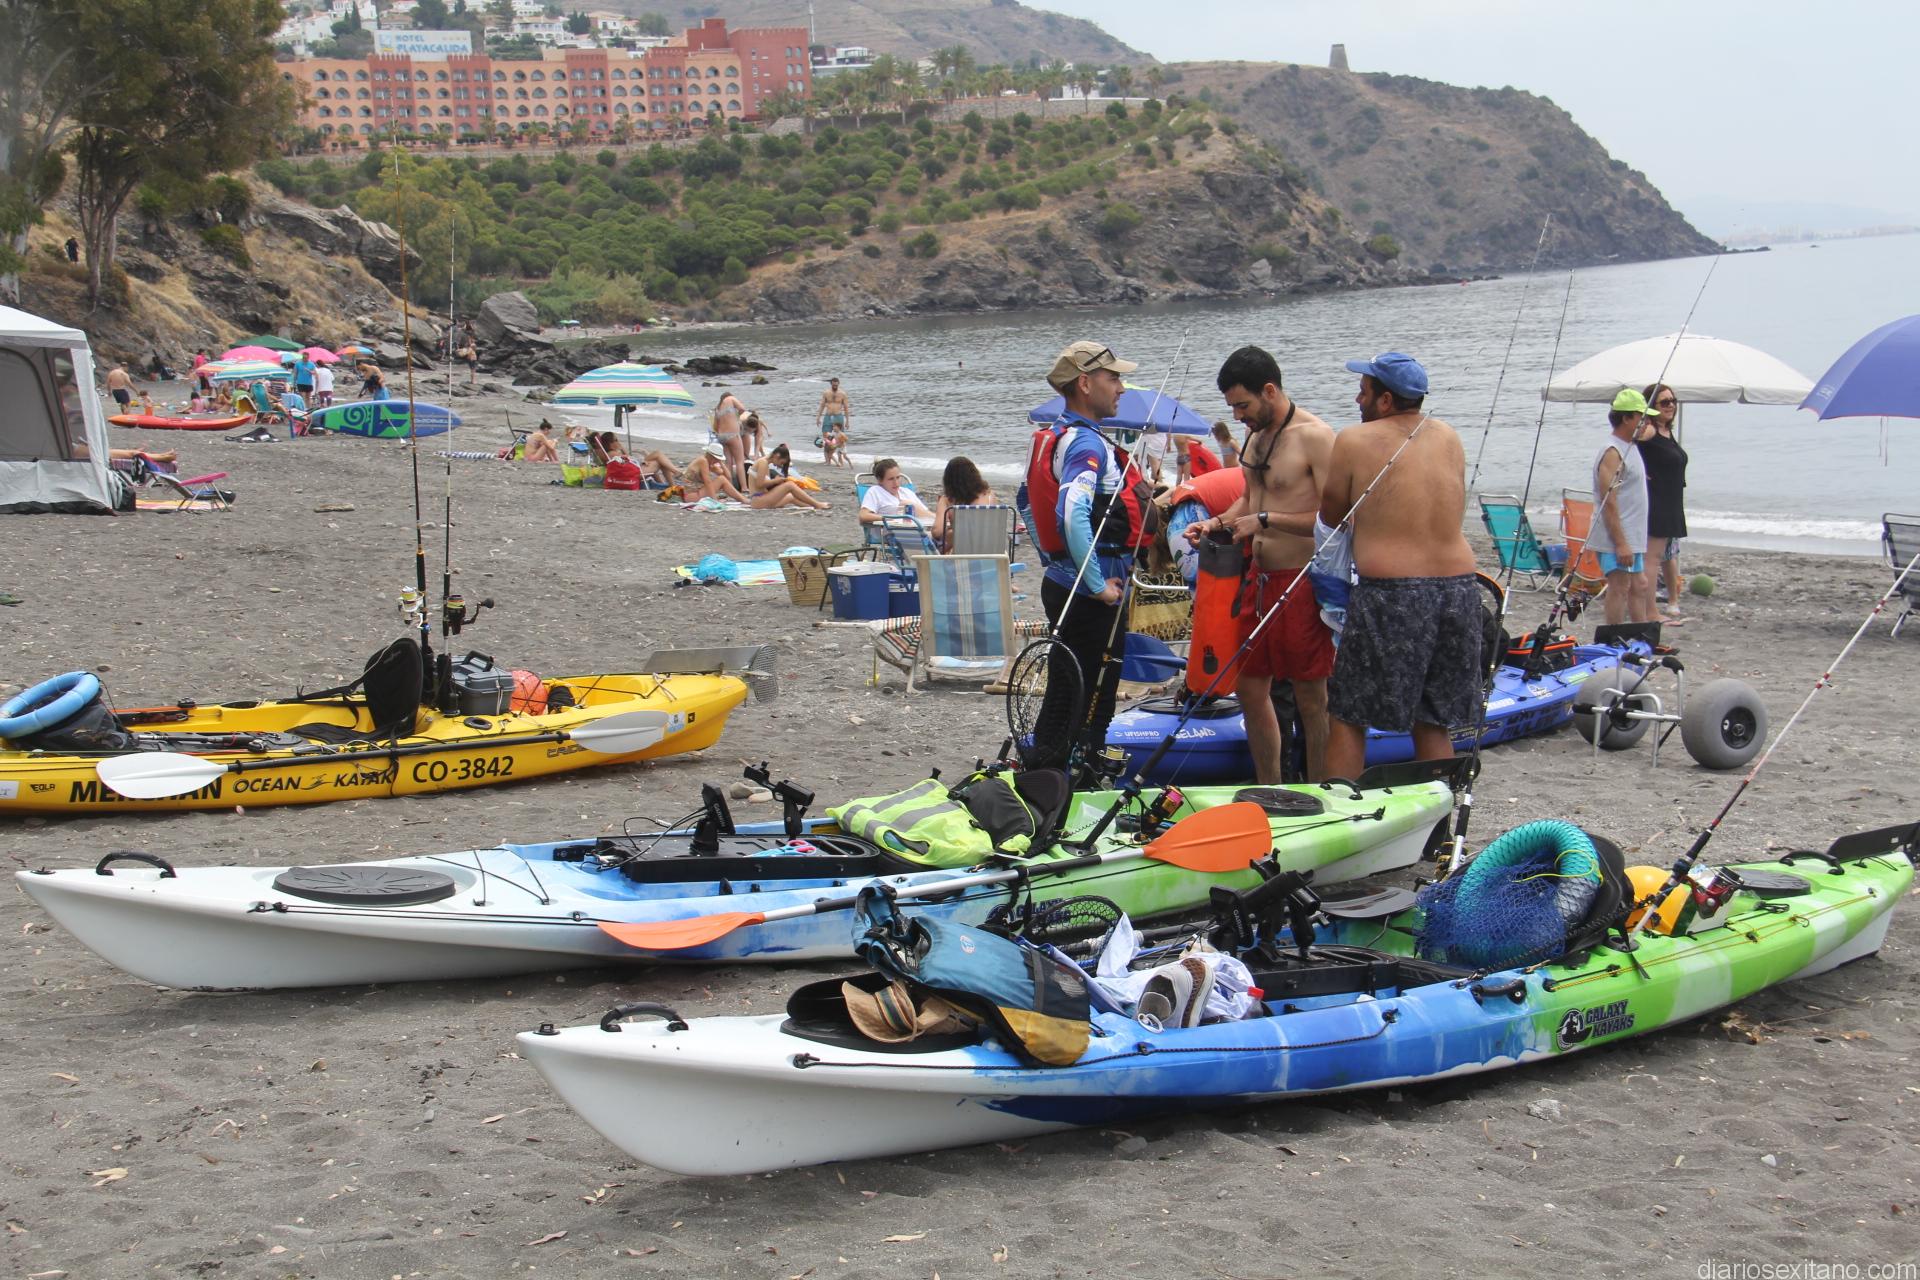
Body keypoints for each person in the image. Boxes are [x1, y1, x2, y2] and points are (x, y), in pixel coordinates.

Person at [1319, 351, 1481, 778]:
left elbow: (1332, 514)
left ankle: (1341, 807)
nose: (1358, 400)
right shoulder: (1449, 436)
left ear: (1386, 400)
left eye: (1364, 391)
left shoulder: (1353, 439)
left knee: (1348, 713)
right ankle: (1438, 813)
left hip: (1393, 594)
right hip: (1460, 590)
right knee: (1433, 716)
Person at [1185, 346, 1335, 783]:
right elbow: (1249, 500)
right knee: (1250, 689)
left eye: (1243, 405)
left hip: (1302, 579)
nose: (1237, 417)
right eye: (1232, 407)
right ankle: (1270, 785)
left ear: (1269, 391)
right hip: (1259, 580)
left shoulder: (1316, 437)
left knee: (1310, 697)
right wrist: (1216, 522)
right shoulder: (1255, 438)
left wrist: (1267, 520)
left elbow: (1336, 519)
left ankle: (1319, 790)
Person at [1025, 339, 1144, 777]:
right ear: (1085, 383)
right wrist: (1094, 584)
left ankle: (1048, 771)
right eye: (1114, 378)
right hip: (1090, 593)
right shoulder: (1087, 445)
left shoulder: (1052, 437)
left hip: (1062, 582)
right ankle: (1072, 776)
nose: (1121, 388)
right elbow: (1071, 513)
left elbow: (1026, 504)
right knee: (1094, 694)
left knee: (1065, 691)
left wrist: (1056, 563)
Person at [1593, 387, 1656, 627]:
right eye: (1642, 417)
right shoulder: (1613, 452)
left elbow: (1651, 432)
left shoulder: (1631, 445)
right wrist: (1620, 543)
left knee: (1640, 585)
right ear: (1627, 418)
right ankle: (1614, 637)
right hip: (1616, 536)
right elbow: (1608, 501)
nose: (1646, 422)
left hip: (1633, 534)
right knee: (1619, 586)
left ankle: (1640, 635)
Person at [1638, 381, 1689, 624]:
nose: (1671, 406)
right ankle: (1650, 612)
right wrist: (1639, 473)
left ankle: (1671, 602)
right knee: (1652, 558)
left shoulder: (1667, 431)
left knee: (1668, 555)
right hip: (1657, 502)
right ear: (1652, 406)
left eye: (1673, 401)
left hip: (1672, 502)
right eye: (1664, 402)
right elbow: (1626, 444)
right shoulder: (1649, 430)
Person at [931, 456, 1000, 552]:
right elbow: (995, 526)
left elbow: (937, 532)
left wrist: (951, 529)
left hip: (962, 553)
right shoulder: (989, 496)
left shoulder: (947, 500)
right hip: (990, 551)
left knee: (947, 537)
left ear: (948, 480)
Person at [749, 443, 832, 510]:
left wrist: (777, 482)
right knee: (790, 485)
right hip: (759, 500)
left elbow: (762, 484)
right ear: (777, 455)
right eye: (781, 463)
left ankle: (814, 505)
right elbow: (760, 484)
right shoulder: (763, 462)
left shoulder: (765, 463)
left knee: (790, 496)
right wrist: (775, 481)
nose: (780, 466)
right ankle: (817, 504)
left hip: (760, 500)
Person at [858, 457, 935, 526]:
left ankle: (938, 520)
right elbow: (863, 516)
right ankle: (938, 520)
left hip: (916, 529)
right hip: (890, 532)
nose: (896, 483)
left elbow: (924, 513)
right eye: (891, 479)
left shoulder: (906, 492)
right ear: (880, 480)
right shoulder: (875, 491)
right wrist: (892, 519)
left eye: (898, 477)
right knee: (906, 504)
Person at [684, 441, 749, 503]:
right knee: (721, 479)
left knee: (722, 478)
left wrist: (721, 463)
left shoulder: (710, 464)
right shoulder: (703, 461)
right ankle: (743, 499)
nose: (716, 461)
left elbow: (728, 477)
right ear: (710, 456)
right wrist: (714, 499)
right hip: (692, 495)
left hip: (696, 493)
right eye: (715, 458)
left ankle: (743, 499)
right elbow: (708, 482)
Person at [710, 388, 748, 486]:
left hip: (721, 436)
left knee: (728, 462)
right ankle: (744, 487)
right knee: (739, 461)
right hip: (732, 434)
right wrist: (736, 416)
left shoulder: (718, 409)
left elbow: (715, 427)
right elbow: (742, 409)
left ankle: (729, 485)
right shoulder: (730, 398)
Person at [816, 377, 851, 463]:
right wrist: (818, 418)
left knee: (840, 438)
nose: (835, 386)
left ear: (838, 384)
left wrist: (847, 421)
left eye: (836, 385)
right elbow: (822, 405)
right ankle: (827, 460)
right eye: (833, 385)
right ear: (831, 384)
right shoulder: (826, 393)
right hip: (828, 416)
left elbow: (846, 408)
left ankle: (840, 459)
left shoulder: (842, 394)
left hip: (838, 416)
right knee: (826, 437)